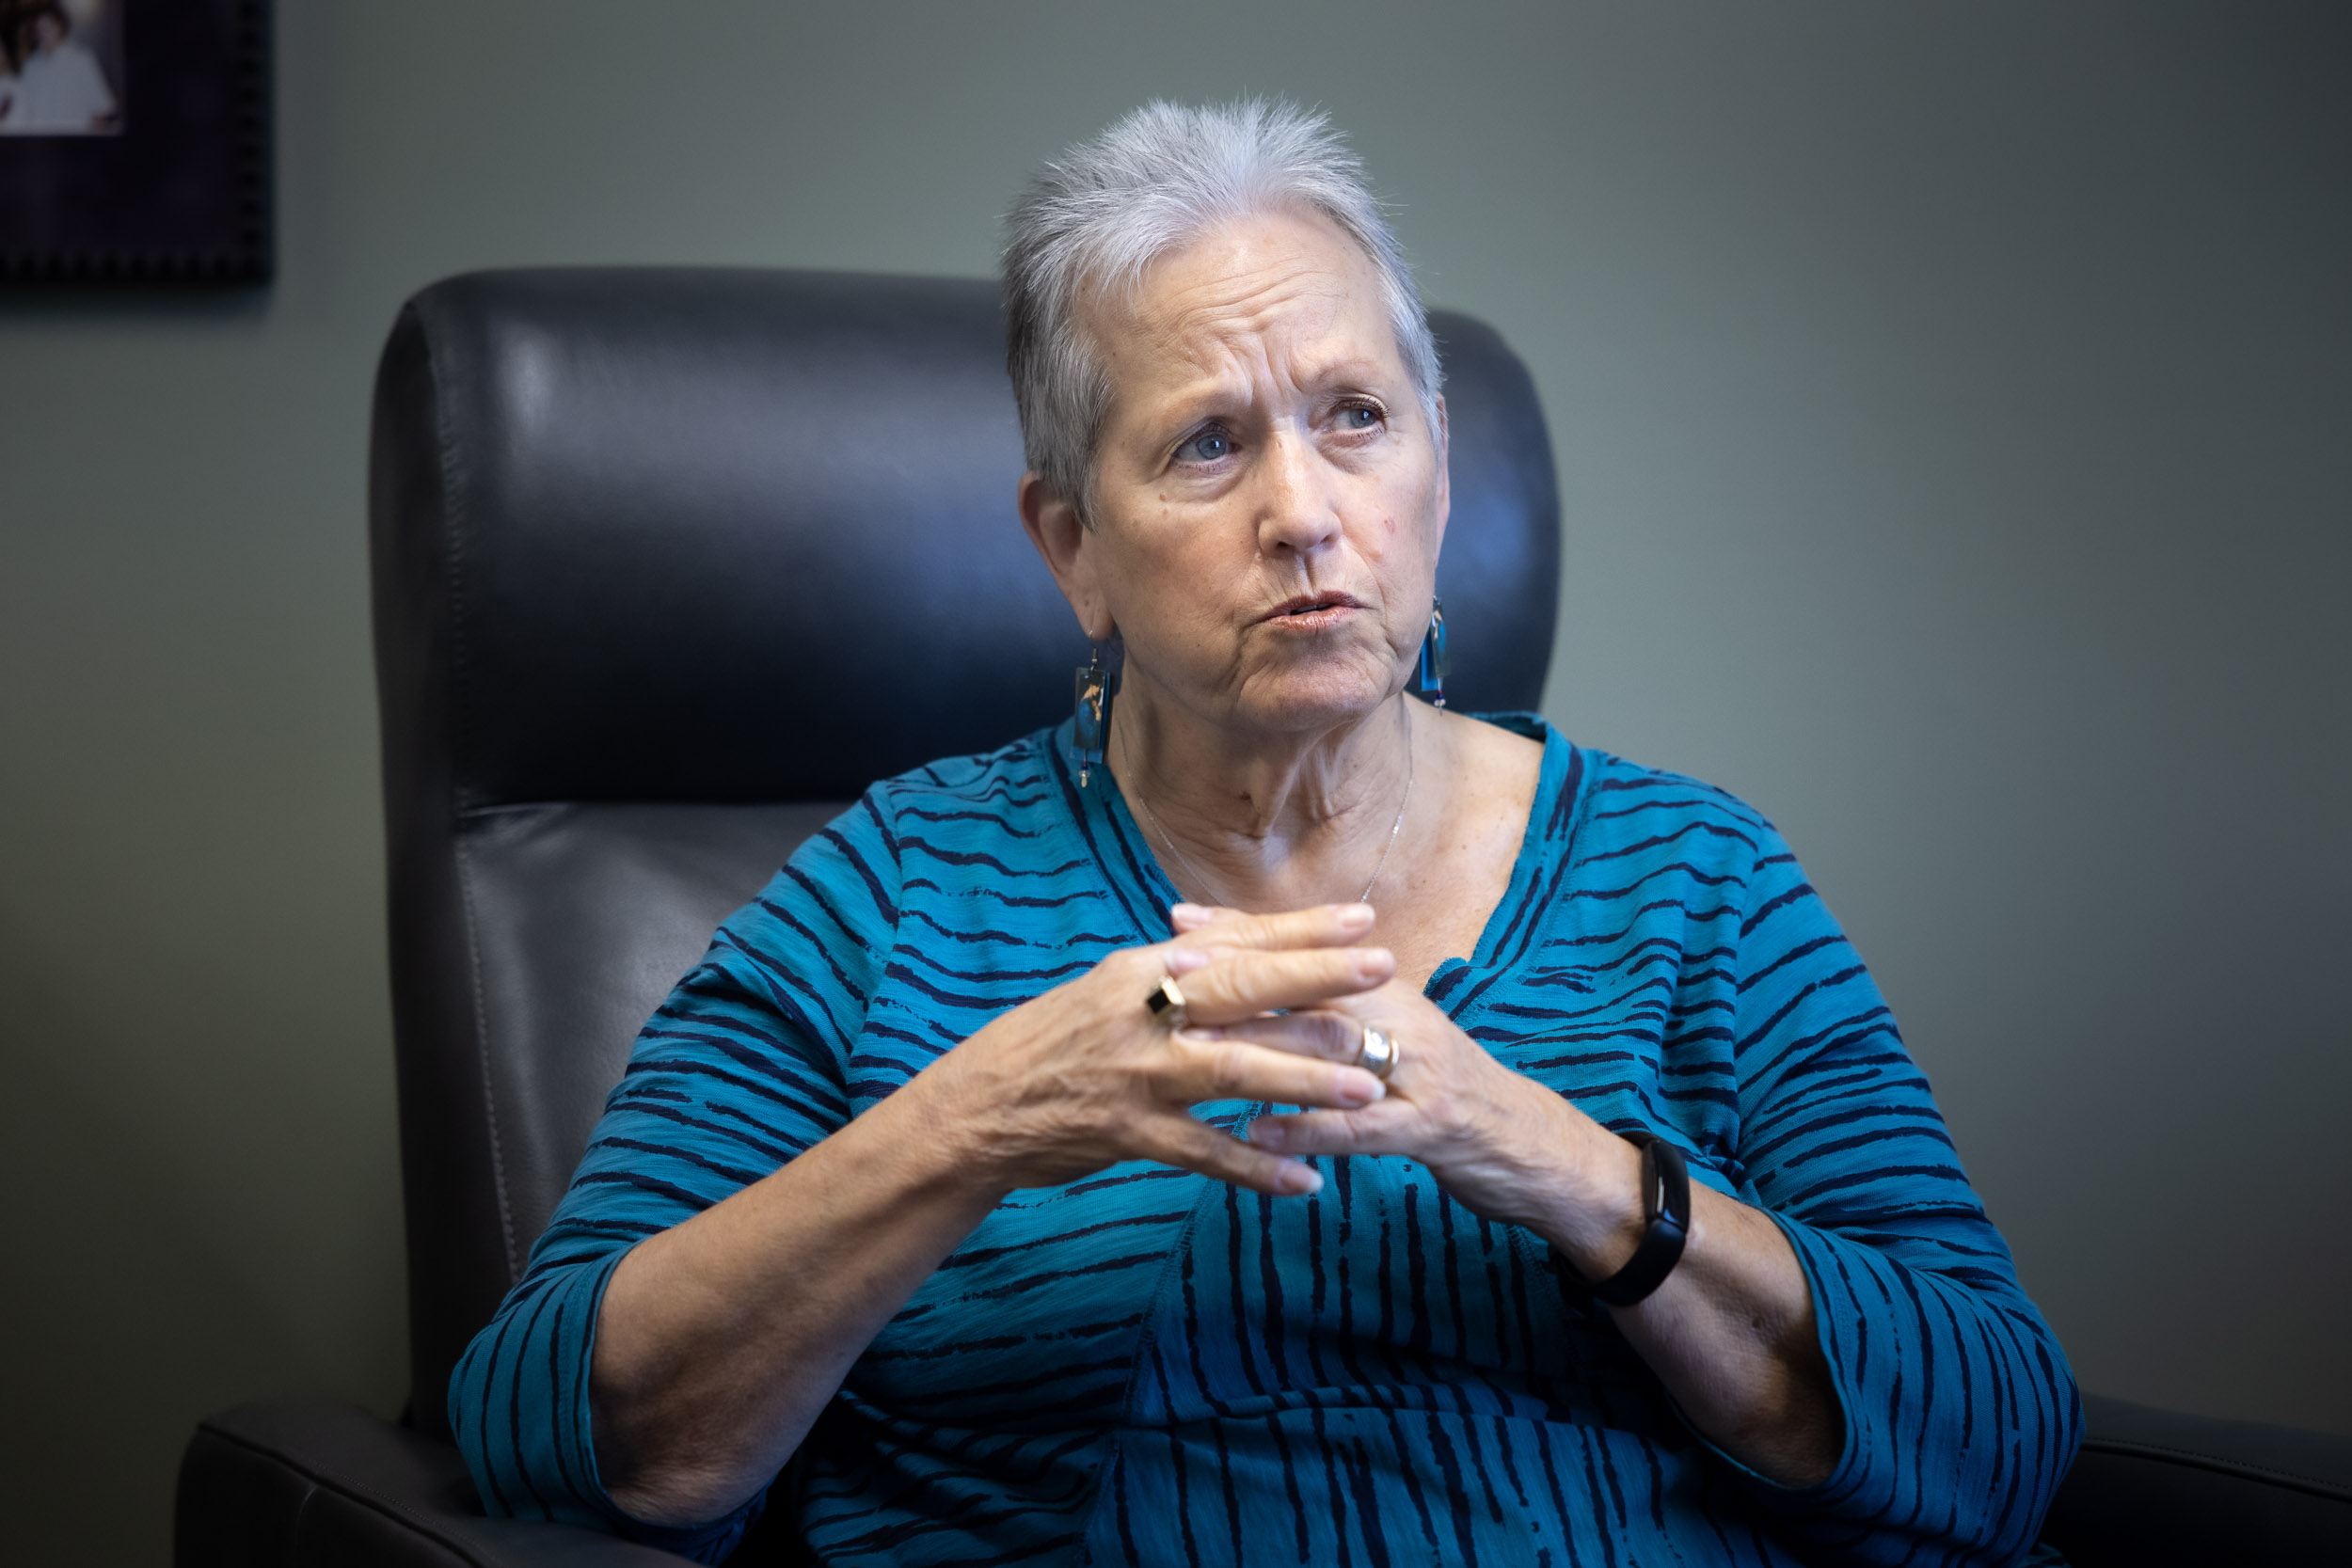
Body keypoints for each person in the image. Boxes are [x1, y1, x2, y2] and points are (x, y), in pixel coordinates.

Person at [453, 100, 2080, 1566]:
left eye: (1357, 417)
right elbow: (543, 1428)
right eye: (1209, 443)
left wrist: (1551, 1156)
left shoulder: (1695, 882)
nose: (1304, 509)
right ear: (1071, 545)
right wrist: (982, 1119)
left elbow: (2001, 1435)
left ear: (1439, 482)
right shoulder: (892, 899)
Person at [0, 5, 117, 135]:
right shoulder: (32, 65)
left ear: (60, 26)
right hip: (40, 144)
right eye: (39, 29)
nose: (43, 34)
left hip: (72, 142)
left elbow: (101, 109)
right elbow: (24, 109)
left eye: (48, 27)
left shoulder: (81, 60)